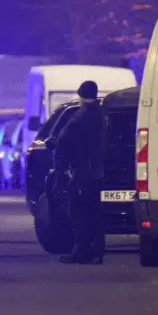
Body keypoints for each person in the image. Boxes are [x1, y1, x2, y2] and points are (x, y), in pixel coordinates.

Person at [53, 80, 108, 264]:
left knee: (79, 212)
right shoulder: (102, 116)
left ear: (80, 96)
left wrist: (60, 173)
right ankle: (97, 249)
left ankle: (82, 250)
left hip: (82, 172)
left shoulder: (78, 117)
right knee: (95, 211)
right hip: (98, 171)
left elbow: (61, 143)